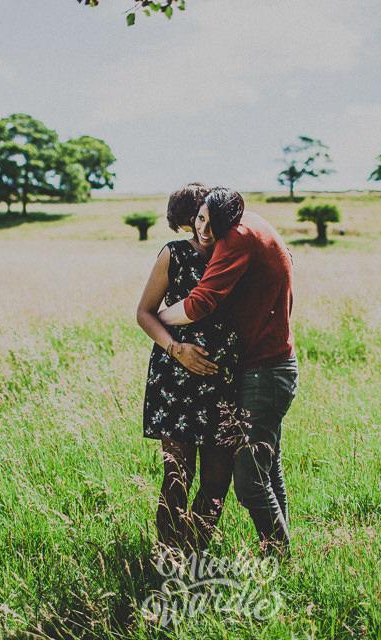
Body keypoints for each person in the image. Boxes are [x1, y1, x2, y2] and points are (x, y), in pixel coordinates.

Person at [159, 187, 297, 557]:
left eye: (208, 223)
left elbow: (201, 303)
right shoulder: (254, 222)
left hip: (263, 369)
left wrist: (160, 318)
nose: (204, 232)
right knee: (270, 468)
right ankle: (282, 554)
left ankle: (279, 556)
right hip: (272, 363)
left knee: (251, 481)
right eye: (197, 222)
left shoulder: (236, 237)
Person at [136, 183, 243, 551]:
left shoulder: (235, 255)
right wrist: (176, 349)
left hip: (223, 380)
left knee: (217, 478)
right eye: (199, 215)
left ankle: (195, 554)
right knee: (177, 474)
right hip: (175, 378)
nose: (205, 226)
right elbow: (144, 313)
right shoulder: (174, 254)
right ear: (190, 217)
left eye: (213, 215)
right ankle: (168, 558)